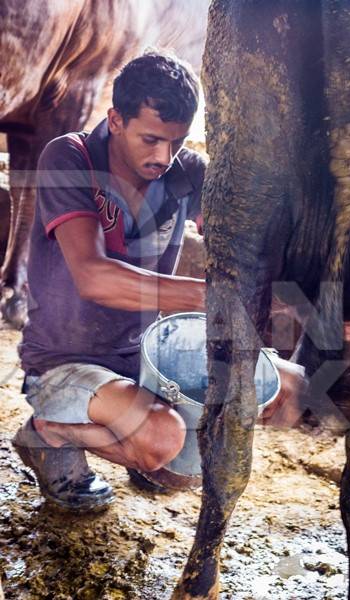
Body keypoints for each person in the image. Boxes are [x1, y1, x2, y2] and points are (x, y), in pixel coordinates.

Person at [13, 50, 306, 512]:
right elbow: (93, 278)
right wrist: (211, 297)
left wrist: (280, 280)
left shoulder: (186, 171)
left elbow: (239, 242)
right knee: (164, 437)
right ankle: (49, 434)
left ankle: (142, 450)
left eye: (176, 141)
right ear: (115, 120)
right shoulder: (70, 156)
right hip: (63, 361)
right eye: (150, 139)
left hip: (145, 353)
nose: (163, 156)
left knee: (287, 381)